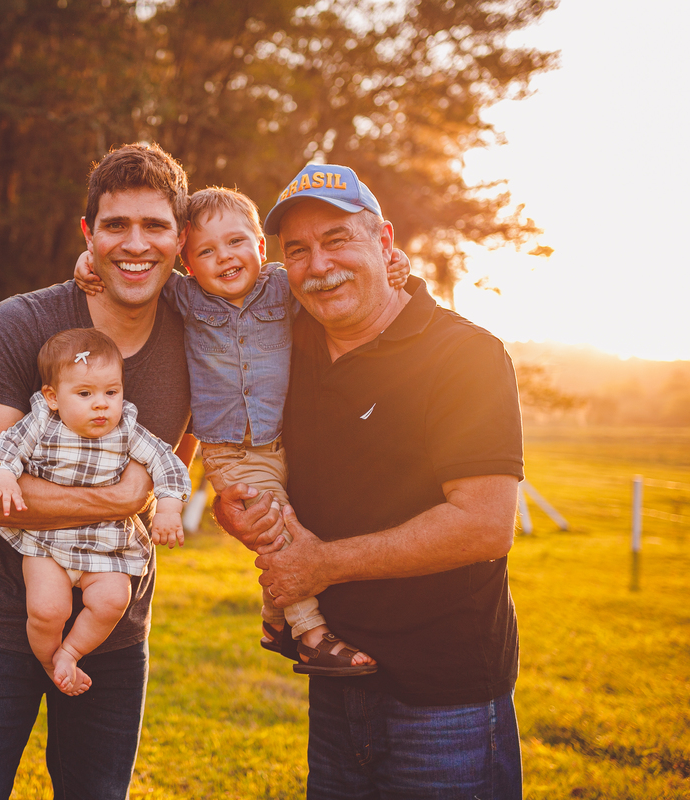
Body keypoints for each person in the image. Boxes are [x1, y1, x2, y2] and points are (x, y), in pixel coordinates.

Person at [214, 163, 525, 798]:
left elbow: (485, 525)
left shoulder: (463, 355)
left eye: (337, 240)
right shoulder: (287, 344)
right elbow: (190, 304)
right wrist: (237, 511)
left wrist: (321, 566)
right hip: (334, 681)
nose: (317, 265)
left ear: (384, 243)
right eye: (296, 250)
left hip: (444, 697)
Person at [0, 142, 194, 800]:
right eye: (115, 226)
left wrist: (397, 272)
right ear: (89, 235)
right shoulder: (22, 324)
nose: (135, 244)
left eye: (155, 225)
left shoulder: (200, 326)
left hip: (115, 632)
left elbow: (275, 295)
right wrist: (119, 499)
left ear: (181, 238)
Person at [74, 186, 409, 674]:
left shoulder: (281, 286)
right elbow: (135, 271)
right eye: (205, 252)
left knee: (298, 520)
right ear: (188, 264)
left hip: (284, 441)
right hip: (229, 451)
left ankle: (274, 621)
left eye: (236, 243)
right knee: (278, 533)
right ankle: (311, 632)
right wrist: (89, 265)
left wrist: (397, 265)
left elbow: (334, 278)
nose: (224, 258)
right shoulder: (184, 298)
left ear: (261, 247)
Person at [0, 327, 191, 697]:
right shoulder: (43, 422)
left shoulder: (126, 428)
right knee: (47, 609)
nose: (101, 404)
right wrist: (4, 478)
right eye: (85, 394)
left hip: (107, 546)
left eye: (111, 392)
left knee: (113, 600)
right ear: (53, 397)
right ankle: (50, 662)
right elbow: (7, 446)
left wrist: (170, 509)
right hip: (48, 542)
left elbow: (166, 462)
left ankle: (70, 653)